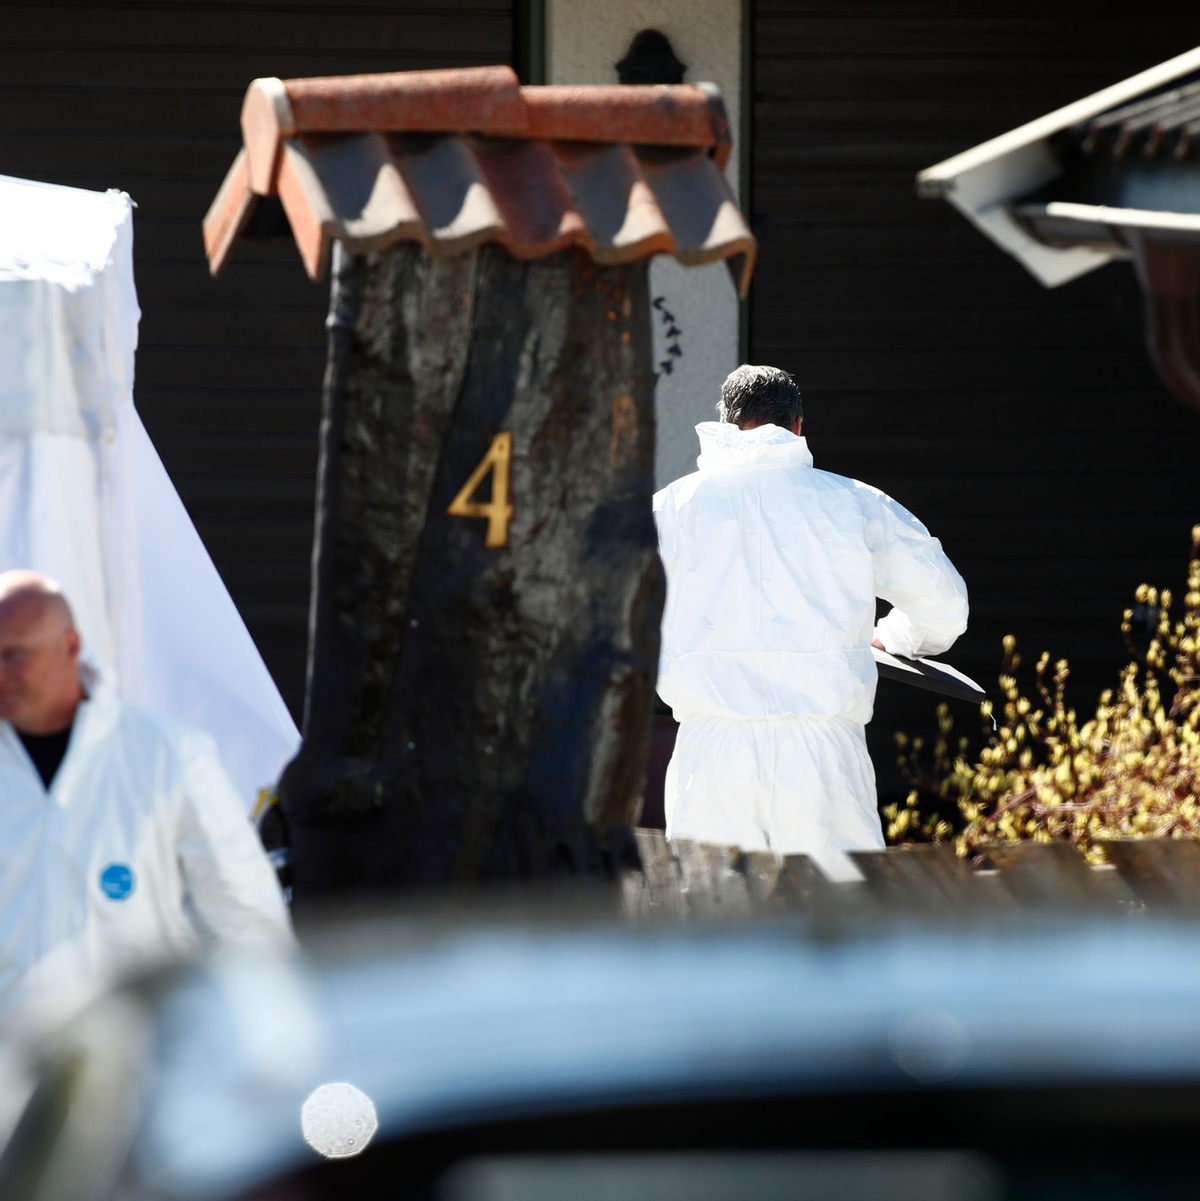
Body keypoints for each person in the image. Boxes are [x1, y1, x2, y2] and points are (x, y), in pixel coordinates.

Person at [653, 366, 968, 879]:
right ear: (798, 427)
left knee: (714, 937)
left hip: (711, 752)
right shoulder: (855, 503)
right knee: (837, 933)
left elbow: (612, 621)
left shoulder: (670, 510)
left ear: (726, 424)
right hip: (824, 755)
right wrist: (891, 638)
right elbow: (945, 607)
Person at [0, 570, 292, 1027]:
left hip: (131, 1074)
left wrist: (260, 1044)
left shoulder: (168, 756)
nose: (1, 676)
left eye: (14, 657)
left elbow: (247, 922)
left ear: (70, 646)